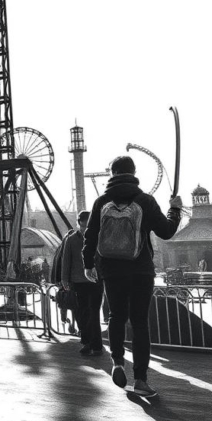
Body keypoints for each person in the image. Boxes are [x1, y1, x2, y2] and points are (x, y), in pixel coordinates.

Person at [83, 156, 181, 398]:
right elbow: (166, 232)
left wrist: (88, 264)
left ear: (112, 172)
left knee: (116, 316)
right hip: (141, 269)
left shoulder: (101, 201)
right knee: (139, 322)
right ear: (133, 172)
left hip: (111, 269)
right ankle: (141, 379)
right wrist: (175, 210)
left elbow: (90, 235)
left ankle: (117, 361)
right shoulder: (145, 200)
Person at [62, 211, 101, 356]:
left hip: (96, 280)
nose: (86, 230)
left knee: (94, 312)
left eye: (88, 226)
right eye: (83, 226)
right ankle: (87, 342)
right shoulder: (71, 240)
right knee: (83, 312)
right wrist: (64, 279)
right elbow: (66, 260)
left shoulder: (99, 237)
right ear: (79, 224)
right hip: (79, 281)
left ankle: (96, 345)